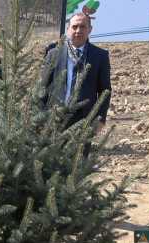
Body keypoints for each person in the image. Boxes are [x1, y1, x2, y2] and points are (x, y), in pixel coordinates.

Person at [41, 12, 111, 156]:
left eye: (83, 27)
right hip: (54, 118)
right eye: (75, 26)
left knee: (77, 166)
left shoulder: (100, 56)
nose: (78, 30)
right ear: (68, 30)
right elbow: (42, 87)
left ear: (89, 30)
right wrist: (39, 117)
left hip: (84, 120)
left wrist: (100, 119)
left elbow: (105, 90)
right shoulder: (54, 54)